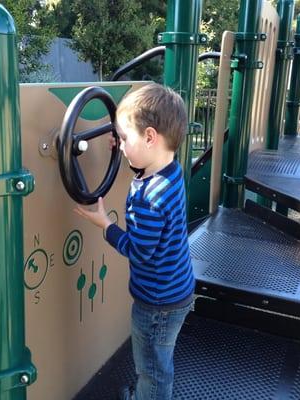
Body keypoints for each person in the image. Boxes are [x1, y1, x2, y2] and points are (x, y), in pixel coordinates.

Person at [74, 83, 195, 400]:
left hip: (157, 304)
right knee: (158, 361)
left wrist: (106, 226)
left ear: (151, 137)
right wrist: (125, 147)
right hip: (176, 289)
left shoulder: (148, 200)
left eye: (125, 138)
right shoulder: (169, 171)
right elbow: (142, 163)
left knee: (153, 368)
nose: (122, 145)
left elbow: (138, 252)